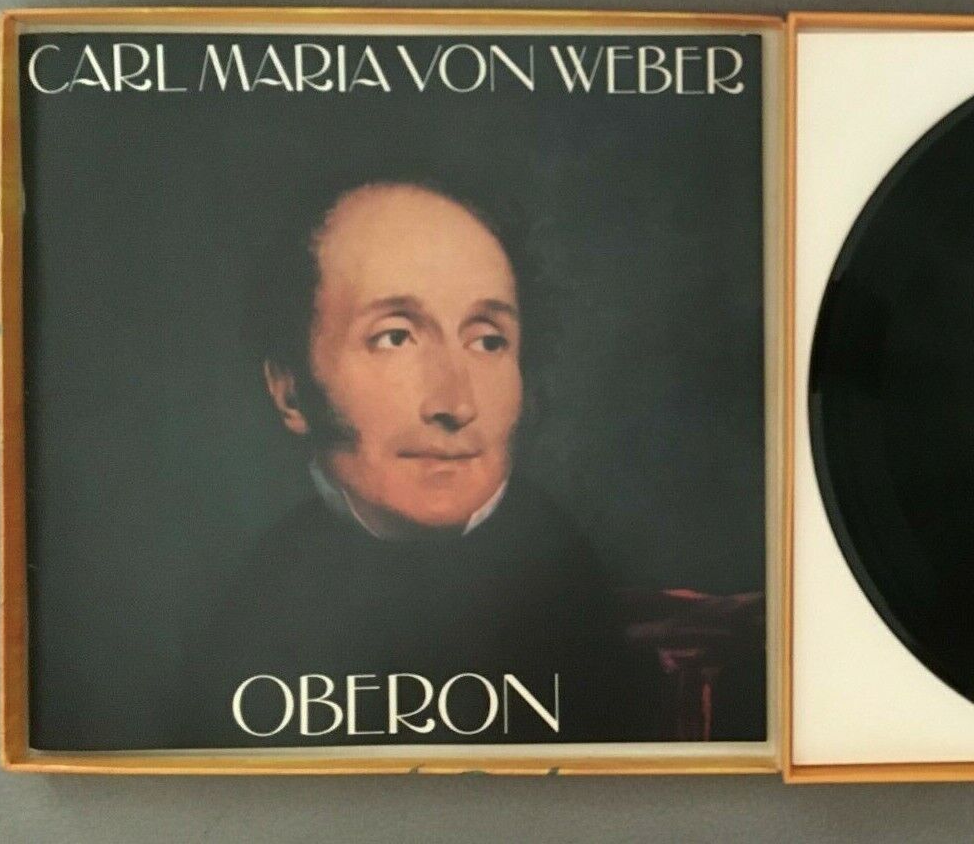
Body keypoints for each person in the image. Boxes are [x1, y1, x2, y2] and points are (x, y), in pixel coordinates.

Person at [174, 176, 646, 746]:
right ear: (291, 391)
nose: (455, 403)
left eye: (488, 340)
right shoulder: (251, 610)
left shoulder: (579, 592)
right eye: (395, 337)